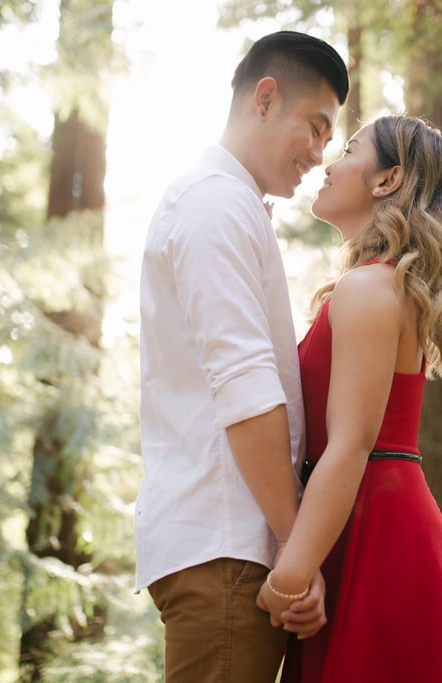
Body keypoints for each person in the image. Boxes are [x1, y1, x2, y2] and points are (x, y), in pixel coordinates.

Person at [134, 31, 349, 683]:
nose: (320, 153)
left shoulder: (232, 208)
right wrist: (297, 549)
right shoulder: (214, 205)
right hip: (228, 549)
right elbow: (246, 389)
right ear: (264, 98)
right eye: (315, 127)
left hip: (231, 551)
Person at [257, 115, 442, 682]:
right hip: (371, 522)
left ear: (387, 180)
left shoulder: (369, 286)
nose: (329, 164)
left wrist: (288, 577)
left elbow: (350, 446)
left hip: (378, 535)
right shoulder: (381, 285)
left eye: (349, 150)